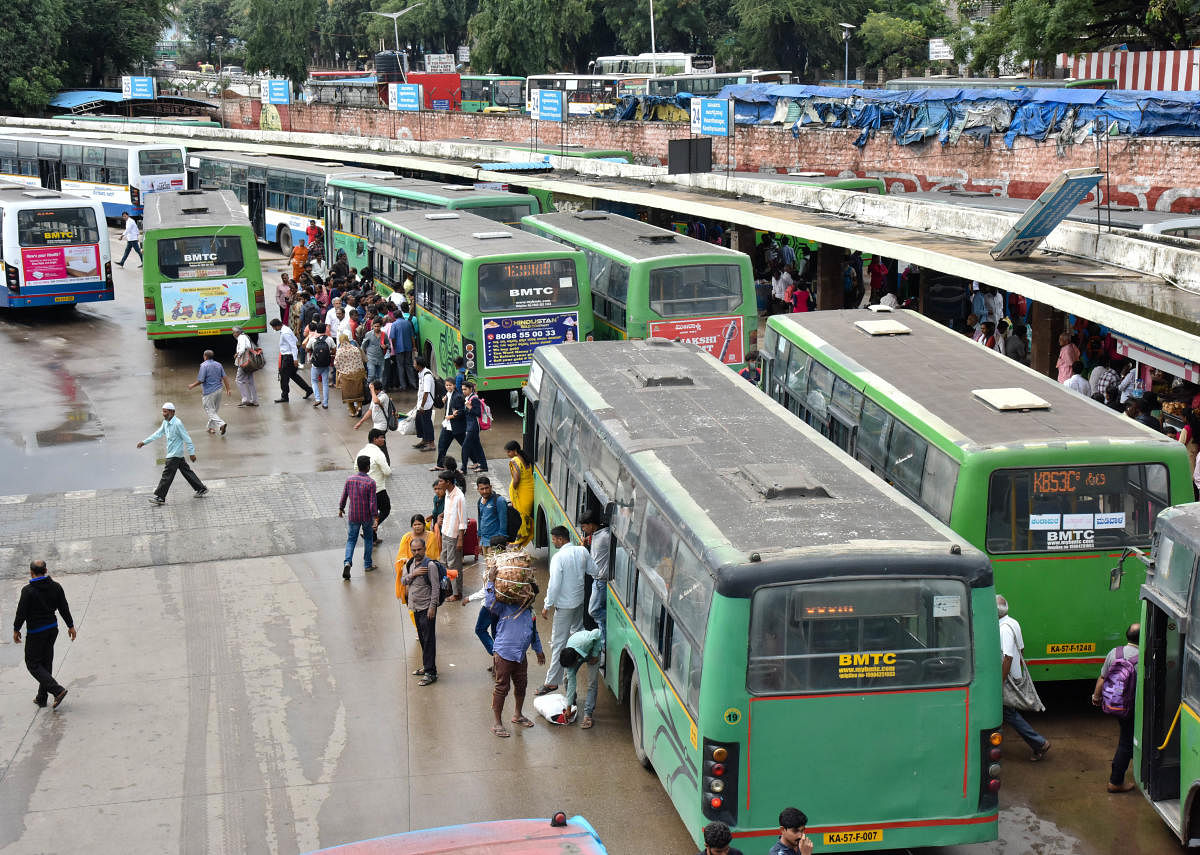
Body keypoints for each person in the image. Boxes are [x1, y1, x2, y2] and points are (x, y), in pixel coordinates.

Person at [536, 526, 596, 696]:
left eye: (554, 539)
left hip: (565, 606)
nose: (553, 542)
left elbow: (554, 585)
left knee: (558, 643)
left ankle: (551, 682)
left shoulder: (558, 558)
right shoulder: (582, 551)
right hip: (579, 601)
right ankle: (585, 658)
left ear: (561, 539)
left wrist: (547, 605)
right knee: (577, 632)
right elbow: (594, 571)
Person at [12, 559, 76, 709]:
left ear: (31, 572)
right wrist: (70, 626)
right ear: (46, 571)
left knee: (33, 664)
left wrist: (16, 629)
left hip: (36, 632)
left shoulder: (27, 591)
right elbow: (63, 608)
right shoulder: (56, 587)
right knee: (46, 663)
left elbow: (21, 613)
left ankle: (57, 690)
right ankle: (42, 697)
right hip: (52, 629)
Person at [998, 595, 1051, 760]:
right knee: (1006, 712)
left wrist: (1001, 681)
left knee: (1008, 713)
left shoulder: (1003, 629)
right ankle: (1038, 743)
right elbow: (1021, 649)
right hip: (1014, 674)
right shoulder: (1013, 622)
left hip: (1007, 678)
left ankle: (1039, 743)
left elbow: (1008, 657)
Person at [488, 582, 545, 737]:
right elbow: (489, 604)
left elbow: (534, 633)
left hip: (520, 655)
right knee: (502, 687)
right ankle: (497, 723)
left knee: (521, 684)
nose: (528, 597)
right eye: (526, 593)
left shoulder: (530, 613)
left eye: (531, 596)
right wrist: (490, 584)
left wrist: (539, 650)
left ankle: (517, 715)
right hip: (503, 654)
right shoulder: (505, 606)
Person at [1091, 623, 1139, 793]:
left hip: (1115, 705)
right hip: (1132, 708)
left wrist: (1096, 697)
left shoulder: (1115, 652)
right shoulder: (1144, 658)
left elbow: (1103, 677)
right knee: (1126, 743)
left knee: (1127, 737)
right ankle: (1116, 782)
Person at [138, 402, 207, 505]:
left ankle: (160, 497)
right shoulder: (165, 422)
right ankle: (201, 488)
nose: (163, 414)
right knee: (186, 471)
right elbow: (158, 434)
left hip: (174, 454)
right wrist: (144, 442)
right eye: (163, 411)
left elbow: (187, 438)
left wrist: (191, 453)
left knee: (167, 475)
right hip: (174, 454)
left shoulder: (177, 423)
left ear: (172, 412)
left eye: (165, 411)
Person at [400, 537, 442, 685]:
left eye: (419, 550)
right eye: (414, 550)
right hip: (415, 608)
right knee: (423, 639)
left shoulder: (430, 565)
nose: (416, 552)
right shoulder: (410, 563)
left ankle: (431, 673)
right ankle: (427, 666)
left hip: (426, 608)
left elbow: (436, 588)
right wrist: (414, 574)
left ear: (424, 549)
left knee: (429, 640)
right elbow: (403, 581)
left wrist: (432, 607)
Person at [338, 455, 377, 580]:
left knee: (351, 540)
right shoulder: (371, 482)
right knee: (368, 539)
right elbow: (372, 502)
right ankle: (367, 564)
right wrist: (375, 517)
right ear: (368, 467)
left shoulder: (350, 479)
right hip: (366, 516)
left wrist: (341, 508)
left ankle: (347, 562)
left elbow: (344, 495)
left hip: (353, 515)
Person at [558, 627, 603, 729]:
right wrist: (568, 707)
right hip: (577, 652)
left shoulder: (586, 641)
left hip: (591, 651)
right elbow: (572, 684)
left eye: (570, 666)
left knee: (592, 683)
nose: (570, 668)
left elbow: (597, 632)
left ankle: (588, 715)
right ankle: (572, 704)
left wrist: (595, 654)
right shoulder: (569, 658)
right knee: (567, 680)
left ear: (576, 660)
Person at [580, 510, 611, 640]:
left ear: (591, 525)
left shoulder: (604, 537)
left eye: (584, 526)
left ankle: (611, 621)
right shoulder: (597, 535)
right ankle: (603, 642)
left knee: (593, 611)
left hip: (600, 582)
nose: (583, 529)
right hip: (597, 581)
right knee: (599, 619)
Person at [357, 428, 392, 541]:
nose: (383, 439)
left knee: (372, 512)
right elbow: (387, 471)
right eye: (381, 437)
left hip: (363, 489)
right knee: (385, 509)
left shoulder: (361, 452)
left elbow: (355, 468)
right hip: (378, 489)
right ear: (374, 439)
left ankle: (373, 538)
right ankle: (370, 528)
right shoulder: (378, 453)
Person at [269, 318, 314, 403]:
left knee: (284, 378)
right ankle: (308, 389)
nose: (273, 329)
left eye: (273, 327)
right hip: (288, 356)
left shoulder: (285, 333)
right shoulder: (286, 329)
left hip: (288, 358)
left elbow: (293, 345)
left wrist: (295, 359)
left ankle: (285, 396)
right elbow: (296, 340)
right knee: (293, 375)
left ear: (277, 326)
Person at [439, 469, 468, 601]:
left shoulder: (459, 497)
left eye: (441, 481)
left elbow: (462, 521)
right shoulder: (447, 493)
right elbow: (448, 511)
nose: (439, 483)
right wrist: (441, 516)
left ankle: (457, 593)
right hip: (445, 532)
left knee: (454, 565)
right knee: (444, 562)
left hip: (454, 535)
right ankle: (448, 588)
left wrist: (460, 539)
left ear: (448, 482)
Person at [187, 349, 230, 436]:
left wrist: (192, 385)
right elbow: (225, 377)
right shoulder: (219, 364)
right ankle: (211, 428)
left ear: (205, 356)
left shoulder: (204, 366)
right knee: (214, 411)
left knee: (210, 410)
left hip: (209, 392)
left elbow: (201, 380)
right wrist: (228, 389)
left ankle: (221, 424)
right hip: (219, 390)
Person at [506, 440, 534, 548]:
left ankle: (520, 539)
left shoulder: (515, 460)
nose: (508, 454)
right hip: (529, 490)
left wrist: (513, 488)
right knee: (525, 515)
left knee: (521, 516)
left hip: (522, 491)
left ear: (515, 451)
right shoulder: (525, 457)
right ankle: (523, 537)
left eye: (509, 452)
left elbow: (516, 479)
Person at [334, 329, 367, 417]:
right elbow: (362, 360)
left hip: (346, 376)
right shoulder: (355, 349)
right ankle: (359, 407)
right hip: (357, 373)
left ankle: (352, 412)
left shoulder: (340, 351)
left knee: (349, 395)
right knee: (358, 392)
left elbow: (336, 364)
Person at [435, 378, 466, 469]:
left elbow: (462, 411)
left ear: (454, 385)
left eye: (450, 385)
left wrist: (451, 416)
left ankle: (476, 462)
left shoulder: (457, 397)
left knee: (465, 445)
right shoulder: (448, 394)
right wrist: (444, 400)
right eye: (447, 385)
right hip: (448, 426)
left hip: (456, 426)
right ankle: (440, 465)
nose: (448, 387)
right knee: (442, 445)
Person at [306, 321, 335, 409]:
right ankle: (325, 403)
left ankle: (317, 399)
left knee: (314, 381)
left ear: (316, 330)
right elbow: (334, 350)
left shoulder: (312, 339)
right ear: (325, 330)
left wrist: (313, 351)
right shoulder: (329, 339)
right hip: (325, 365)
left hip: (315, 365)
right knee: (325, 383)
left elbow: (307, 349)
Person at [388, 305, 418, 391]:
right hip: (408, 347)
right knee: (409, 365)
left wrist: (394, 346)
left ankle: (403, 385)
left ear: (395, 317)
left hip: (399, 348)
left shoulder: (394, 324)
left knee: (400, 366)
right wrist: (414, 346)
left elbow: (392, 338)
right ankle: (413, 384)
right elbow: (412, 336)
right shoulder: (408, 323)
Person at [461, 379, 489, 473]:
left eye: (465, 389)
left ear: (470, 389)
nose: (463, 391)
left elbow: (478, 413)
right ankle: (483, 466)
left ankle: (463, 468)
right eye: (462, 389)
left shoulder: (474, 399)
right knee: (477, 446)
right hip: (470, 426)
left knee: (465, 447)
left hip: (473, 427)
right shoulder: (468, 398)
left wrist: (470, 407)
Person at [413, 356, 436, 452]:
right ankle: (424, 440)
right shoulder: (420, 373)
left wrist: (422, 406)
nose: (413, 365)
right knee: (419, 421)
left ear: (419, 365)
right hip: (421, 403)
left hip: (426, 404)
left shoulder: (427, 376)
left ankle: (431, 444)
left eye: (414, 363)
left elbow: (426, 392)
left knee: (427, 423)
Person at [361, 316, 389, 385]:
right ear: (372, 326)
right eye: (375, 326)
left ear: (381, 326)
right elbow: (363, 346)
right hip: (370, 358)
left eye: (378, 326)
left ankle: (378, 392)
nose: (376, 328)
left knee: (380, 377)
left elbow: (388, 344)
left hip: (381, 358)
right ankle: (368, 389)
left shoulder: (384, 335)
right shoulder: (368, 334)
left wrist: (386, 346)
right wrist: (363, 357)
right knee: (371, 375)